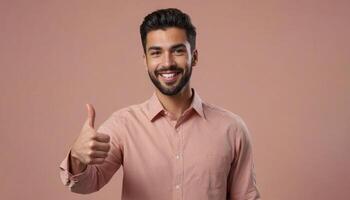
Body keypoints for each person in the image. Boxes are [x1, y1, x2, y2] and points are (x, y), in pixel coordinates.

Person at [59, 8, 261, 200]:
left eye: (178, 51)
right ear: (145, 60)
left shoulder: (232, 129)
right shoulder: (123, 125)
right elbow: (86, 184)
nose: (167, 62)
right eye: (156, 52)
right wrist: (77, 157)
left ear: (195, 57)